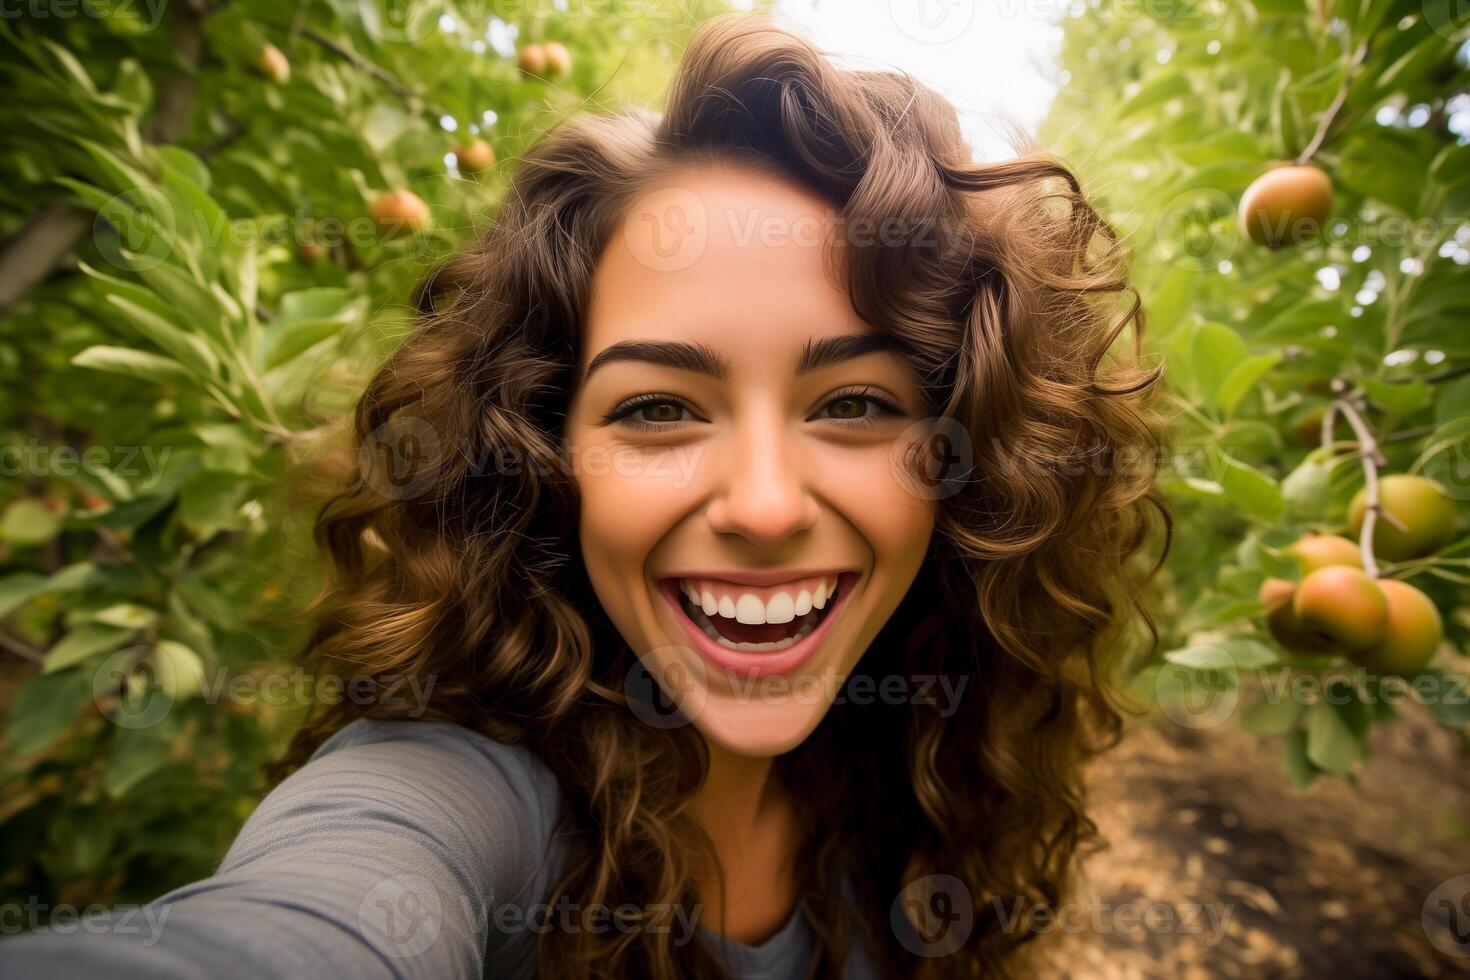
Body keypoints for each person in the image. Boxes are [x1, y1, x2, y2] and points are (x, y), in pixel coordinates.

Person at [0, 12, 1170, 979]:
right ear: (540, 459)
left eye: (856, 404)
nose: (763, 506)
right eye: (658, 408)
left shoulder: (923, 766)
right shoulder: (464, 794)